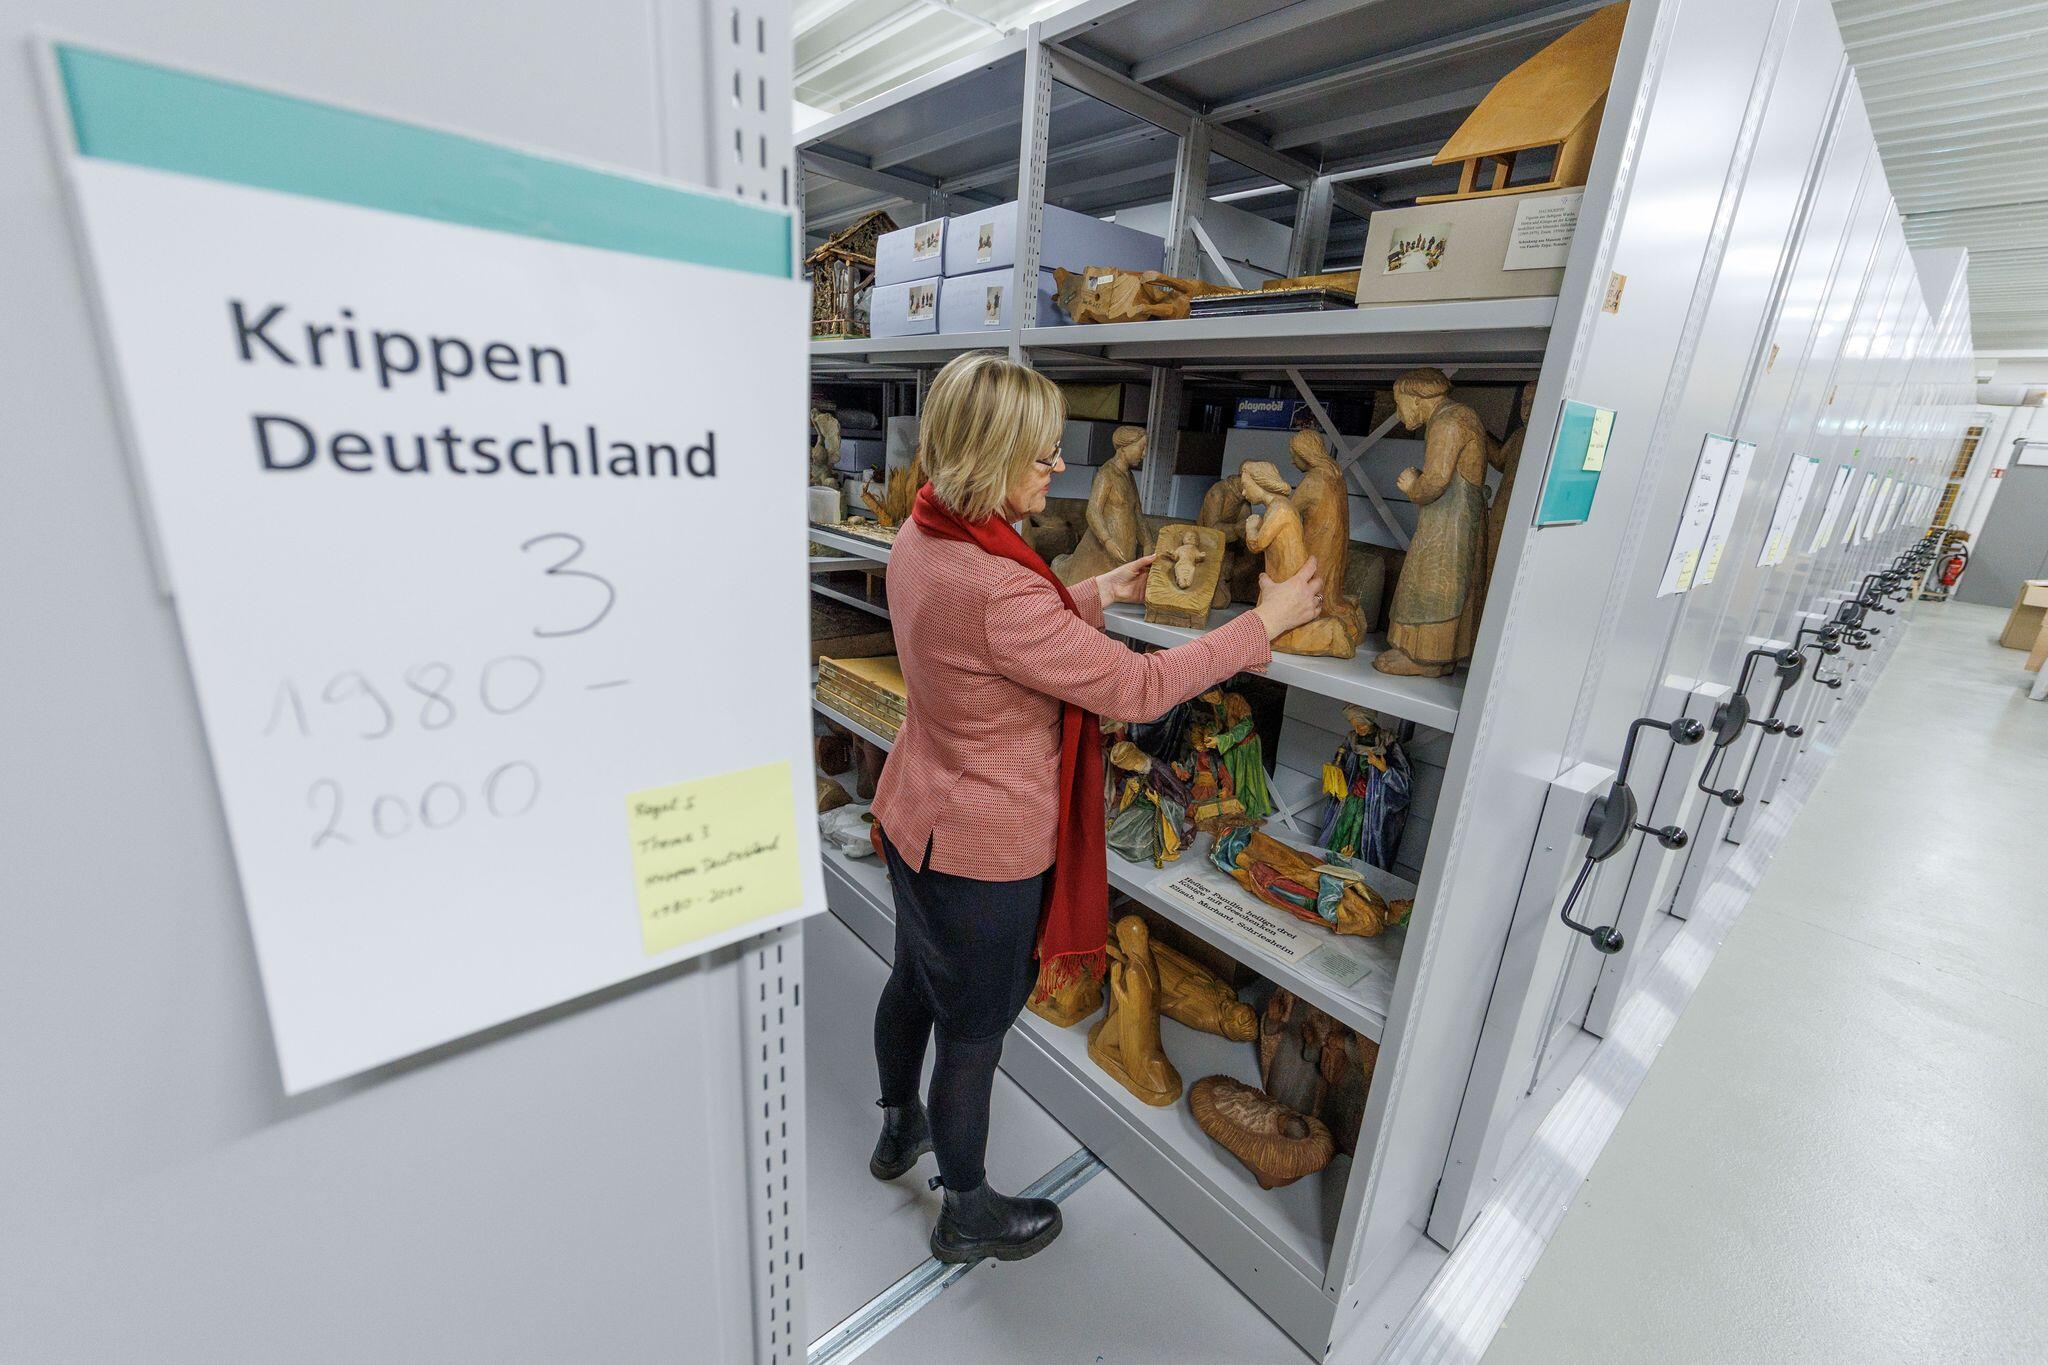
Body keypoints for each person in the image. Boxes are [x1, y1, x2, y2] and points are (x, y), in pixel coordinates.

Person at [867, 351, 1324, 1264]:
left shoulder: (925, 535)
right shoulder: (999, 585)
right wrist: (1261, 626)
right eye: (1039, 455)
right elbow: (1139, 688)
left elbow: (981, 637)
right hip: (982, 853)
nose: (1056, 468)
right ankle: (965, 1212)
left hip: (915, 815)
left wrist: (1090, 594)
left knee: (914, 979)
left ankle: (897, 1128)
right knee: (973, 1035)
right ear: (989, 456)